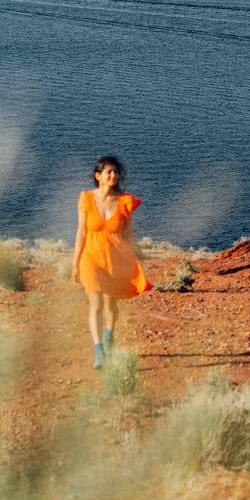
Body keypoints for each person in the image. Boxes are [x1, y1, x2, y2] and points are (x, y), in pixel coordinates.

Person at [72, 155, 151, 368]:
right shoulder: (86, 199)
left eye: (115, 172)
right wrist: (75, 262)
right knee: (95, 304)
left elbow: (127, 236)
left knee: (110, 304)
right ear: (98, 176)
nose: (113, 175)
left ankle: (109, 334)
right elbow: (81, 232)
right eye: (108, 172)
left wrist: (131, 262)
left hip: (114, 259)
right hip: (91, 258)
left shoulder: (125, 202)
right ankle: (99, 351)